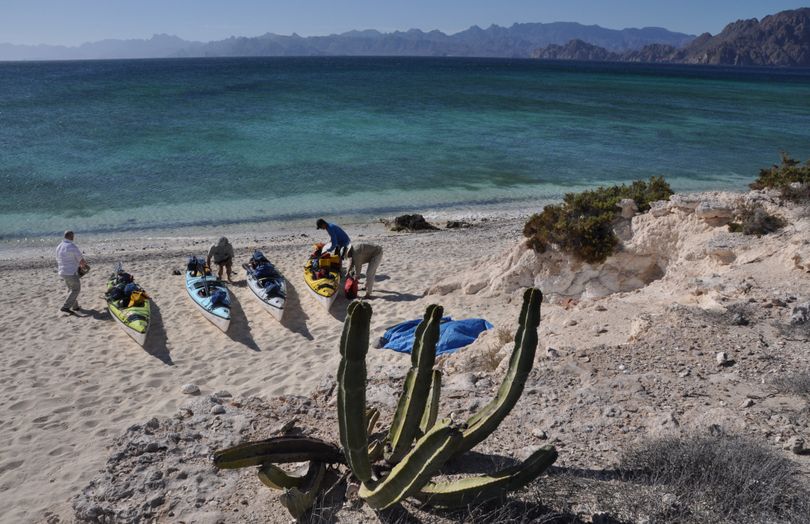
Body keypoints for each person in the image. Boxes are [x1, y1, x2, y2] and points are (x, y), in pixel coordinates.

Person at [56, 230, 88, 313]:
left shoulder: (59, 246)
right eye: (73, 236)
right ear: (71, 236)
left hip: (62, 271)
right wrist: (84, 268)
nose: (74, 237)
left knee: (71, 289)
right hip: (71, 272)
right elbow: (82, 261)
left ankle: (75, 307)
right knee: (76, 289)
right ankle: (65, 307)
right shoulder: (72, 246)